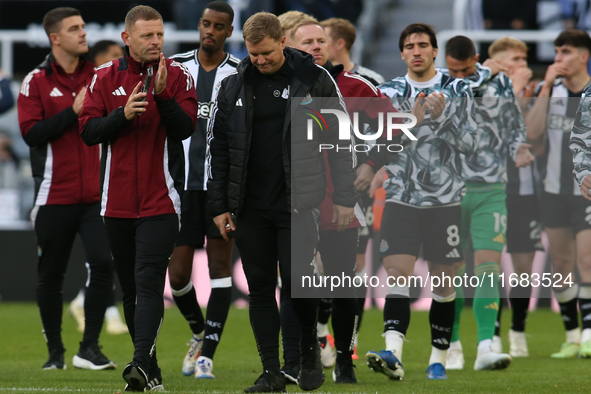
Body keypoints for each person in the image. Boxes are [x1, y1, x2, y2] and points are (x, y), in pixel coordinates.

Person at [207, 12, 357, 393]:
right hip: (250, 206)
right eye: (254, 54)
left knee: (297, 285)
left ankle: (307, 352)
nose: (260, 61)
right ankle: (272, 371)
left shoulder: (314, 79)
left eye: (267, 53)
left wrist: (344, 198)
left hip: (298, 203)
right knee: (259, 288)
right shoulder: (234, 84)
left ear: (282, 43)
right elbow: (219, 149)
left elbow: (341, 143)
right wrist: (219, 204)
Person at [79, 5, 198, 391]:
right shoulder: (102, 78)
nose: (156, 42)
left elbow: (185, 127)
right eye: (147, 36)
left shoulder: (177, 76)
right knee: (130, 288)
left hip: (162, 203)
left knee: (148, 283)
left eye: (160, 35)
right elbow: (89, 131)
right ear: (127, 38)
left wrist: (162, 97)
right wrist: (122, 114)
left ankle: (138, 365)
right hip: (114, 204)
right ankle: (151, 369)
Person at [364, 23, 477, 381]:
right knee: (397, 272)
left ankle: (438, 359)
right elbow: (377, 147)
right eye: (409, 46)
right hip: (400, 197)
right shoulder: (389, 91)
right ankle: (393, 355)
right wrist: (409, 123)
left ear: (433, 52)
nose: (416, 51)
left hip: (445, 200)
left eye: (423, 45)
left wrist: (443, 117)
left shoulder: (458, 89)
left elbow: (472, 144)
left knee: (444, 283)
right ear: (402, 54)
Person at [17, 6, 115, 371]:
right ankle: (55, 354)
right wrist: (73, 112)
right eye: (75, 28)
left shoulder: (101, 75)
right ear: (54, 37)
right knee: (51, 276)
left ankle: (89, 347)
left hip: (96, 195)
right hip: (53, 195)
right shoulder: (36, 80)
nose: (83, 33)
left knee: (104, 263)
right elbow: (31, 134)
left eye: (84, 27)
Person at [441, 35, 534, 371]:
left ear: (476, 59)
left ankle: (484, 346)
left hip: (491, 189)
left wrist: (518, 148)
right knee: (449, 271)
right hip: (448, 190)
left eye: (466, 70)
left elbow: (513, 127)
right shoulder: (440, 86)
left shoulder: (502, 84)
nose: (460, 76)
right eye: (454, 70)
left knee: (488, 269)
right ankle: (451, 345)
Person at [168, 1, 239, 380]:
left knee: (219, 268)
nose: (210, 31)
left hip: (220, 190)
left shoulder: (239, 73)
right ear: (198, 25)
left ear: (229, 31)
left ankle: (207, 356)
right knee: (178, 275)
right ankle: (198, 332)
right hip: (179, 188)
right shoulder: (176, 66)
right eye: (206, 24)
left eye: (218, 26)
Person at [526, 29, 591, 359]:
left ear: (583, 56)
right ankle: (572, 335)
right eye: (555, 52)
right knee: (562, 264)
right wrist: (547, 87)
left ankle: (590, 334)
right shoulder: (547, 92)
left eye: (565, 52)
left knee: (587, 260)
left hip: (586, 192)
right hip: (551, 190)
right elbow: (533, 135)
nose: (557, 58)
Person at [68, 39, 128, 337]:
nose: (120, 60)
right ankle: (108, 310)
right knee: (105, 256)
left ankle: (87, 300)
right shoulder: (98, 85)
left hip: (109, 182)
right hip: (94, 186)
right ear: (100, 58)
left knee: (112, 256)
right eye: (115, 56)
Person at [488, 36, 542, 358]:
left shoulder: (533, 94)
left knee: (523, 266)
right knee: (489, 265)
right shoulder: (484, 92)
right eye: (516, 60)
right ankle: (492, 333)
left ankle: (518, 330)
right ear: (499, 64)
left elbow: (533, 136)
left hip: (523, 192)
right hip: (490, 188)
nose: (524, 65)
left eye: (524, 59)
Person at [320, 18, 384, 87]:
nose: (316, 46)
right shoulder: (314, 80)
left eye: (322, 41)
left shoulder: (372, 81)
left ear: (339, 44)